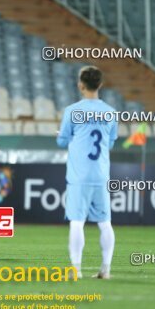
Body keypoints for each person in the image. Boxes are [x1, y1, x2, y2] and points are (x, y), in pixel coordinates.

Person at [57, 66, 117, 279]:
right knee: (105, 223)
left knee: (76, 221)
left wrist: (68, 137)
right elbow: (110, 143)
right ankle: (106, 269)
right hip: (100, 175)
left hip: (79, 176)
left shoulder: (73, 111)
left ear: (80, 85)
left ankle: (76, 269)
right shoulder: (110, 112)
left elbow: (61, 140)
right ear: (100, 84)